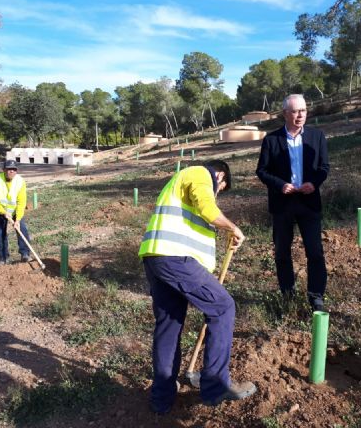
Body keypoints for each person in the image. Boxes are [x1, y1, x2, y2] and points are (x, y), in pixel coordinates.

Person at [138, 160, 256, 413]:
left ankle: (162, 399)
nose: (217, 192)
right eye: (221, 188)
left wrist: (221, 235)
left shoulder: (180, 183)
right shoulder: (201, 173)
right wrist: (233, 227)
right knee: (223, 307)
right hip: (176, 259)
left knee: (169, 325)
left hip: (157, 258)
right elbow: (207, 208)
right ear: (221, 176)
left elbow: (194, 221)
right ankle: (216, 385)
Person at [256, 94, 330, 312]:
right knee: (281, 252)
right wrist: (280, 185)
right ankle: (287, 293)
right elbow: (262, 170)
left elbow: (324, 167)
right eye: (296, 111)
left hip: (309, 202)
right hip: (283, 204)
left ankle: (316, 296)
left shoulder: (317, 136)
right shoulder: (271, 140)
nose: (300, 115)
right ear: (285, 114)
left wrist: (314, 183)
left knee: (315, 251)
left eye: (304, 111)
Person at [0, 159, 32, 267]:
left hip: (15, 211)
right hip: (0, 211)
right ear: (4, 170)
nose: (11, 171)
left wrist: (17, 219)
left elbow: (21, 202)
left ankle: (25, 254)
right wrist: (3, 212)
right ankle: (3, 258)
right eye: (8, 169)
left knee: (22, 229)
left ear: (16, 171)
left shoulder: (20, 182)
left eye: (13, 169)